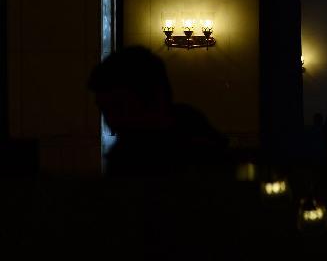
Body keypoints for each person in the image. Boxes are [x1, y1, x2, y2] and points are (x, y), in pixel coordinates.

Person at [88, 46, 227, 177]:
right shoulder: (125, 152)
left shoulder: (198, 154)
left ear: (155, 98)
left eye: (119, 107)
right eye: (104, 110)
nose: (110, 121)